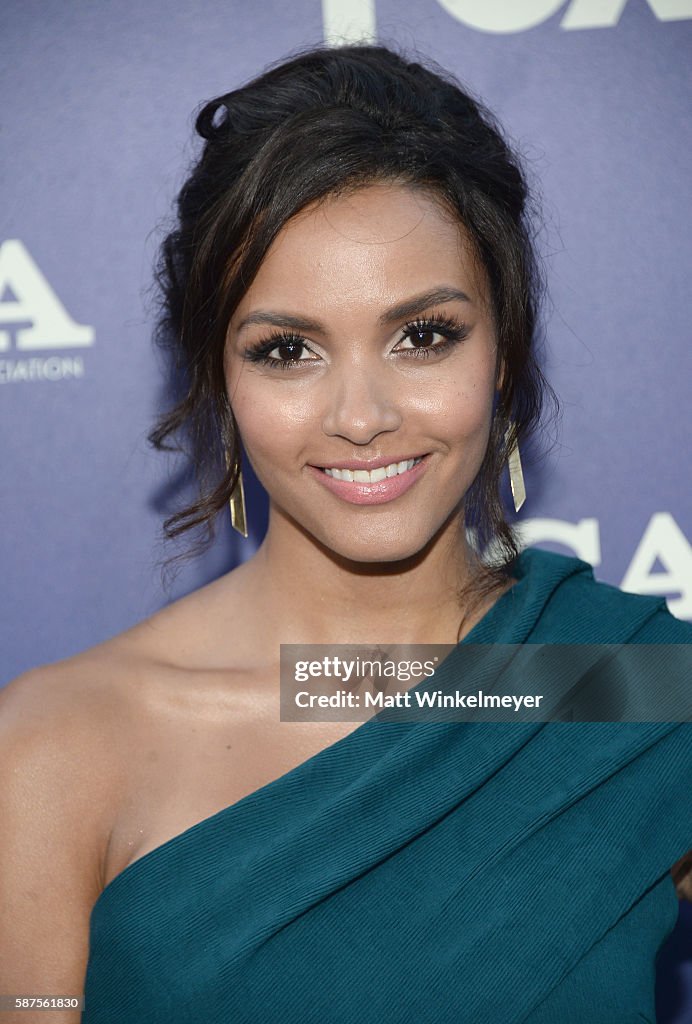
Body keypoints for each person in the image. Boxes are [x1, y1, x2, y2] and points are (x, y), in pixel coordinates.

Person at [0, 41, 690, 1024]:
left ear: (501, 348)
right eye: (287, 349)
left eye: (423, 335)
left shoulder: (629, 683)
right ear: (219, 377)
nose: (359, 414)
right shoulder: (57, 743)